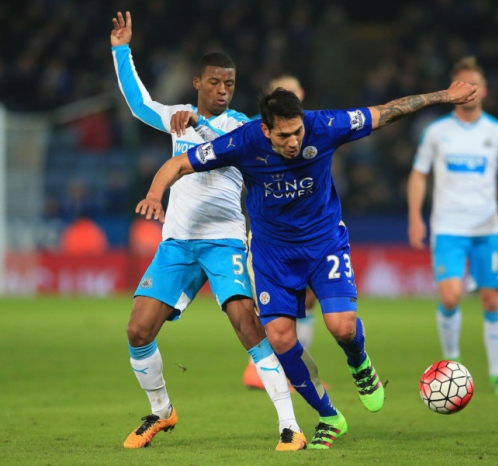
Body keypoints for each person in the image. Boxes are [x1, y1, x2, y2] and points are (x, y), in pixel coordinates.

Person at [136, 80, 477, 448]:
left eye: (297, 131)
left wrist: (443, 96)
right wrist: (156, 194)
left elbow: (387, 111)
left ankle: (359, 362)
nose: (294, 141)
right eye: (284, 136)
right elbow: (179, 163)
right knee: (281, 339)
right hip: (272, 254)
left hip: (323, 243)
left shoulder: (325, 125)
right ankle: (329, 417)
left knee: (342, 328)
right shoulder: (244, 141)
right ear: (265, 129)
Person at [110, 11, 305, 451]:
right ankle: (161, 411)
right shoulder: (178, 116)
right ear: (198, 83)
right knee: (138, 331)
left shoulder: (241, 126)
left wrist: (198, 125)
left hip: (225, 240)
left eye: (230, 84)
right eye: (215, 83)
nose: (222, 90)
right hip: (178, 241)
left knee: (246, 324)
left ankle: (289, 426)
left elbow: (221, 141)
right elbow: (140, 104)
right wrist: (121, 50)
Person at [407, 56, 498, 396]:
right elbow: (419, 175)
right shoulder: (436, 132)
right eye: (462, 85)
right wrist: (415, 216)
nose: (469, 91)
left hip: (487, 228)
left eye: (474, 85)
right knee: (451, 295)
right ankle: (451, 364)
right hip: (448, 227)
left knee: (492, 300)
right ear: (451, 91)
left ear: (485, 90)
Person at [241, 74, 320, 390]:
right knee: (273, 304)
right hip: (271, 235)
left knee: (309, 299)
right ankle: (259, 367)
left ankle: (294, 368)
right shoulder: (253, 133)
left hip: (308, 232)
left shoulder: (311, 132)